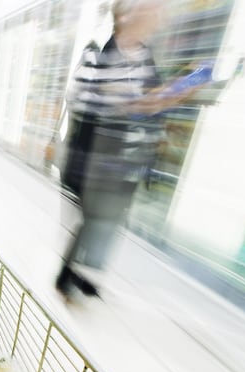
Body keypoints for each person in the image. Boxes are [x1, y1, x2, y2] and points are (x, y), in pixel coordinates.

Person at [56, 0, 200, 299]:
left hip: (128, 160)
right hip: (96, 157)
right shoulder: (97, 52)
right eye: (150, 9)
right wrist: (144, 101)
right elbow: (85, 100)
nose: (158, 14)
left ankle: (84, 274)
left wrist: (171, 95)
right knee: (94, 218)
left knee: (108, 219)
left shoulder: (144, 56)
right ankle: (70, 275)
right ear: (125, 16)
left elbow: (150, 101)